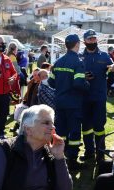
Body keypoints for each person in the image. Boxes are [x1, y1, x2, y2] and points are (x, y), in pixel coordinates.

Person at [48, 34, 89, 169]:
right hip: (73, 103)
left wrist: (63, 85)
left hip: (59, 102)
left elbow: (51, 82)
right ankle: (72, 160)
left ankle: (61, 156)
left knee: (61, 131)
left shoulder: (58, 62)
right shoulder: (78, 62)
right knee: (74, 133)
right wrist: (87, 84)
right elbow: (78, 84)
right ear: (77, 44)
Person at [80, 29, 114, 164]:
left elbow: (113, 70)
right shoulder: (79, 56)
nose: (93, 41)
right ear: (85, 41)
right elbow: (74, 75)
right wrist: (82, 77)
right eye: (90, 39)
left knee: (99, 126)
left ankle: (100, 153)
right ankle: (89, 151)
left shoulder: (104, 56)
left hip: (99, 97)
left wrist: (113, 68)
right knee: (86, 127)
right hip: (84, 97)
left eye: (94, 39)